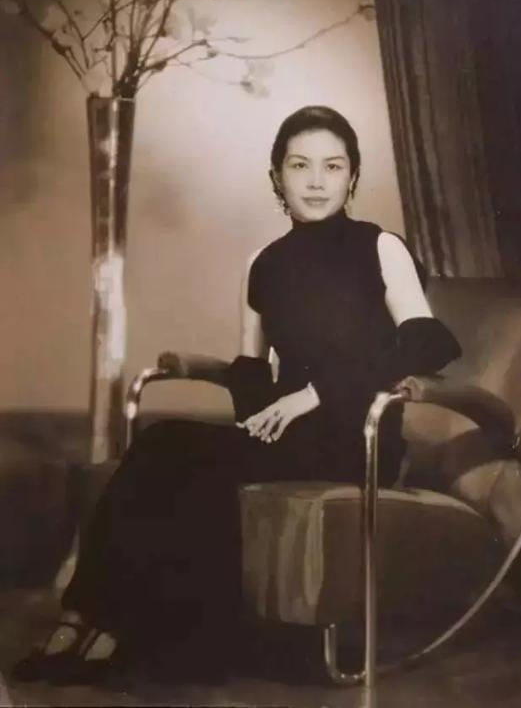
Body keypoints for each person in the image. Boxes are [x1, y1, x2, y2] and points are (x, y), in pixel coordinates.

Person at [12, 106, 461, 685]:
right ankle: (98, 620)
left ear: (353, 176)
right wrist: (259, 412)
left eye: (333, 166)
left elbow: (428, 341)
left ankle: (114, 628)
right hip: (287, 435)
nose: (317, 181)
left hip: (357, 437)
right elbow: (250, 369)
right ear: (276, 176)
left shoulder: (380, 247)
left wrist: (316, 394)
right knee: (167, 444)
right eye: (300, 165)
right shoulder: (263, 264)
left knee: (177, 453)